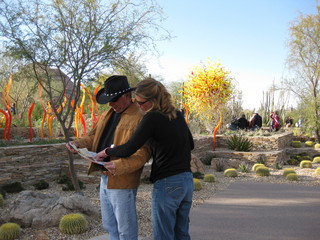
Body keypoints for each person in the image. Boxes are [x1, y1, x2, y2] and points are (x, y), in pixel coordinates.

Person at [95, 78, 195, 240]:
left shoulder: (152, 117)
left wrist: (107, 151)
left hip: (167, 183)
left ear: (153, 100)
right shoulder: (177, 114)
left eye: (141, 103)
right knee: (181, 233)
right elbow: (190, 144)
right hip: (186, 181)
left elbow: (130, 147)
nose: (138, 106)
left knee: (164, 235)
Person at [66, 75, 150, 240]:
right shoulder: (108, 114)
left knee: (125, 229)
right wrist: (77, 143)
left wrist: (120, 166)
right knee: (110, 225)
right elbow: (93, 137)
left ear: (127, 96)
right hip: (104, 177)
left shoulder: (140, 116)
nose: (111, 103)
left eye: (114, 99)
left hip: (122, 179)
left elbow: (144, 153)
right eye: (109, 100)